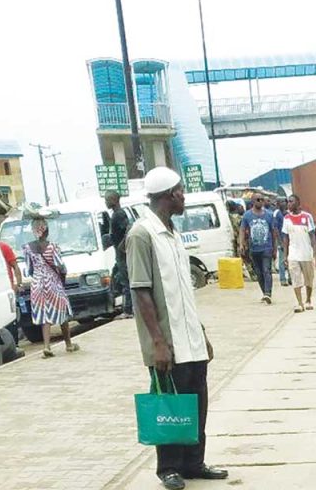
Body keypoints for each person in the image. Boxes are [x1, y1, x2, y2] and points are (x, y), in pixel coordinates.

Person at [126, 167, 227, 489]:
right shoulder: (142, 234)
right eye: (181, 191)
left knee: (196, 402)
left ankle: (194, 463)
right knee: (169, 403)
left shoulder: (173, 234)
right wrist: (157, 341)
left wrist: (202, 332)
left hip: (191, 338)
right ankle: (168, 468)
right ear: (170, 195)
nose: (184, 197)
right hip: (167, 341)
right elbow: (141, 290)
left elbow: (183, 292)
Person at [22, 217, 77, 358]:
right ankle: (69, 344)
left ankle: (47, 347)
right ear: (46, 230)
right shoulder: (52, 246)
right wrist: (61, 281)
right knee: (62, 311)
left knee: (44, 314)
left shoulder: (28, 248)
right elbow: (61, 267)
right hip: (53, 282)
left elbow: (29, 269)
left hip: (37, 284)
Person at [281, 195, 316, 312]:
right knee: (295, 278)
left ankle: (308, 300)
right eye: (288, 202)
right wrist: (285, 255)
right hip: (293, 254)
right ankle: (299, 303)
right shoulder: (286, 218)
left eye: (291, 202)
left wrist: (315, 255)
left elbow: (313, 236)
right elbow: (286, 238)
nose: (288, 204)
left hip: (306, 253)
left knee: (309, 279)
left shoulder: (307, 217)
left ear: (298, 203)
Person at [239, 195, 277, 305]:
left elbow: (273, 232)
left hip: (267, 248)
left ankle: (268, 294)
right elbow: (242, 230)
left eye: (262, 200)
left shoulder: (269, 215)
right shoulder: (247, 216)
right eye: (258, 200)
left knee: (267, 270)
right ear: (252, 201)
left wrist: (274, 248)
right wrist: (242, 244)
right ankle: (264, 292)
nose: (261, 202)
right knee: (259, 273)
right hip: (254, 249)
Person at [105, 190, 133, 318]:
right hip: (118, 253)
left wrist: (122, 244)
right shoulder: (114, 215)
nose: (106, 202)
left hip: (123, 254)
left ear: (115, 200)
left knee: (126, 281)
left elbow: (128, 228)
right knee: (119, 279)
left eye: (108, 199)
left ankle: (128, 310)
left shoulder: (119, 214)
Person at [273, 199, 289, 287]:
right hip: (281, 240)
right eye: (282, 202)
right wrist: (280, 242)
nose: (284, 203)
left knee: (291, 259)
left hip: (289, 240)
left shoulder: (288, 214)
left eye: (285, 202)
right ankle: (283, 279)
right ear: (278, 204)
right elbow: (275, 229)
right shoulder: (277, 214)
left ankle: (290, 278)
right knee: (282, 260)